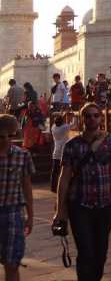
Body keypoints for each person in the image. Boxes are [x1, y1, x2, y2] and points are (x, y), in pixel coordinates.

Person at [54, 103, 111, 281]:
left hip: (103, 204)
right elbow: (64, 179)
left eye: (95, 115)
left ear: (101, 118)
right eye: (88, 116)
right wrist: (60, 210)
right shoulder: (72, 145)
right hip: (79, 204)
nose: (92, 119)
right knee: (86, 251)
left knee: (100, 253)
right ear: (82, 119)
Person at [0, 114, 34, 281]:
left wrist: (31, 216)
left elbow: (27, 186)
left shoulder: (22, 155)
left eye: (11, 135)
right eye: (2, 136)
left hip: (14, 213)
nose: (7, 140)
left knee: (12, 263)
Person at [49, 114, 73, 194]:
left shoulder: (53, 127)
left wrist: (63, 114)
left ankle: (53, 187)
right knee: (63, 172)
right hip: (63, 152)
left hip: (56, 152)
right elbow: (74, 124)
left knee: (54, 171)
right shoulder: (64, 127)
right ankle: (62, 188)